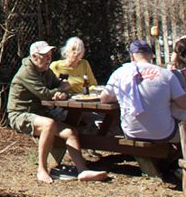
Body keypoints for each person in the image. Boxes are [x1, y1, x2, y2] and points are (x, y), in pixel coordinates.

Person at [7, 41, 110, 185]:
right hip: (21, 115)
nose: (48, 58)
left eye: (49, 55)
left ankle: (82, 170)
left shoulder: (45, 70)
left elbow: (60, 86)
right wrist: (59, 90)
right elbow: (45, 94)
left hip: (41, 114)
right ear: (34, 56)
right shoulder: (27, 72)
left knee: (71, 132)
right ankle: (42, 170)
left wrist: (60, 90)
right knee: (48, 124)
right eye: (45, 55)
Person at [101, 40, 186, 141]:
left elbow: (104, 98)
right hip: (164, 134)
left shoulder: (119, 73)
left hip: (131, 132)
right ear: (151, 55)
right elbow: (185, 104)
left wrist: (124, 95)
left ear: (132, 56)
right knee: (184, 118)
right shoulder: (166, 74)